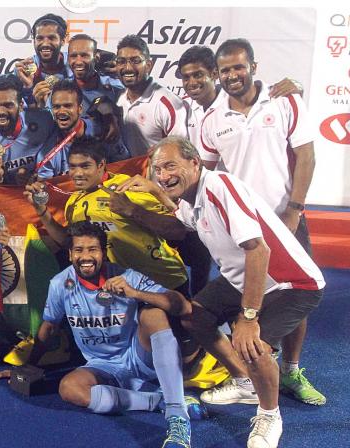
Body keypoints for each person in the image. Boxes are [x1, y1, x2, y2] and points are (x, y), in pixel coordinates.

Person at [121, 136, 324, 448]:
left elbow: (258, 250)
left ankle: (270, 415)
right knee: (194, 316)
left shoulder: (219, 186)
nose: (162, 175)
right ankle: (246, 383)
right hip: (243, 279)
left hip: (290, 282)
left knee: (252, 344)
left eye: (170, 166)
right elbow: (179, 221)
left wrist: (248, 317)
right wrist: (151, 194)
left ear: (195, 163)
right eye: (157, 169)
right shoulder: (193, 197)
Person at [0, 222, 203, 448]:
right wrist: (28, 365)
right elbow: (49, 327)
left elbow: (183, 307)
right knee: (69, 388)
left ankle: (177, 417)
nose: (86, 256)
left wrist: (135, 293)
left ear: (103, 252)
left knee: (153, 314)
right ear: (70, 253)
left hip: (139, 357)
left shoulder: (126, 276)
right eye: (79, 250)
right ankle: (158, 400)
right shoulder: (60, 284)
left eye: (92, 249)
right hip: (101, 365)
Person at [199, 38, 323, 406]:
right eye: (225, 70)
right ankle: (247, 377)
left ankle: (292, 370)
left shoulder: (286, 100)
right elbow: (205, 174)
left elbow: (306, 156)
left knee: (294, 296)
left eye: (239, 67)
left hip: (285, 219)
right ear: (217, 74)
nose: (233, 75)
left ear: (253, 65)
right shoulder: (211, 119)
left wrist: (295, 209)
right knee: (244, 291)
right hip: (242, 227)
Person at [26, 140, 188, 292]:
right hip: (121, 290)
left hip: (163, 282)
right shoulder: (73, 203)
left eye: (85, 166)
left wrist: (132, 210)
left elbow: (177, 231)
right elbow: (68, 242)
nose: (78, 173)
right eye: (73, 167)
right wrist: (41, 211)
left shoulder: (128, 188)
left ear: (101, 165)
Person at [43, 34, 129, 163]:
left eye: (84, 55)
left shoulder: (116, 89)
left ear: (96, 57)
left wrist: (110, 115)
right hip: (69, 165)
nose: (78, 61)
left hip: (111, 162)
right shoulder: (58, 93)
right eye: (73, 56)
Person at [0, 75, 54, 185]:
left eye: (8, 105)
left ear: (20, 106)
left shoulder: (44, 120)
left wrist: (37, 176)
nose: (1, 111)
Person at [114, 35, 188, 157]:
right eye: (121, 61)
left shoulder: (168, 103)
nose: (127, 68)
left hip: (158, 174)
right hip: (125, 173)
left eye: (135, 61)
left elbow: (180, 153)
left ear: (149, 65)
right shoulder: (117, 98)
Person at [34, 80, 100, 178]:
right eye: (56, 107)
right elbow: (47, 189)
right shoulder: (47, 154)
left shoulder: (103, 131)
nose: (61, 111)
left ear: (80, 109)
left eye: (68, 106)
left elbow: (122, 166)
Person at [14, 14, 73, 106]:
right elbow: (21, 114)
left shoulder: (75, 65)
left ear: (63, 40)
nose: (45, 43)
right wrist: (28, 89)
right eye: (39, 38)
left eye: (52, 38)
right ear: (34, 40)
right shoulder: (23, 71)